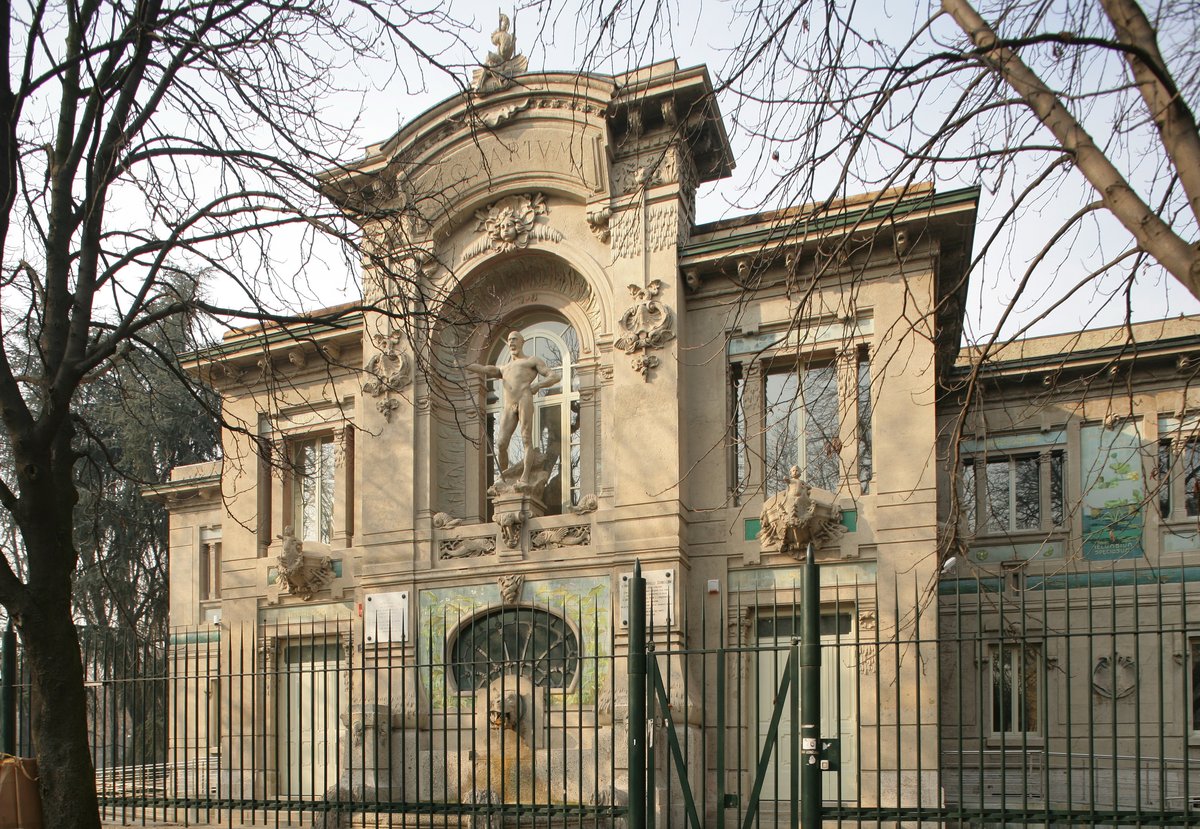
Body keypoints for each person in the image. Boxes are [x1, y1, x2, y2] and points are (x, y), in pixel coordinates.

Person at [466, 331, 561, 486]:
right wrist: (467, 366)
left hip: (524, 399)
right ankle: (504, 479)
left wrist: (538, 384)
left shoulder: (531, 361)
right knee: (501, 443)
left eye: (515, 339)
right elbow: (486, 369)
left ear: (522, 342)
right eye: (509, 340)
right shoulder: (504, 368)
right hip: (509, 405)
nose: (511, 343)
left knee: (526, 438)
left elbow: (554, 376)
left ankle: (525, 476)